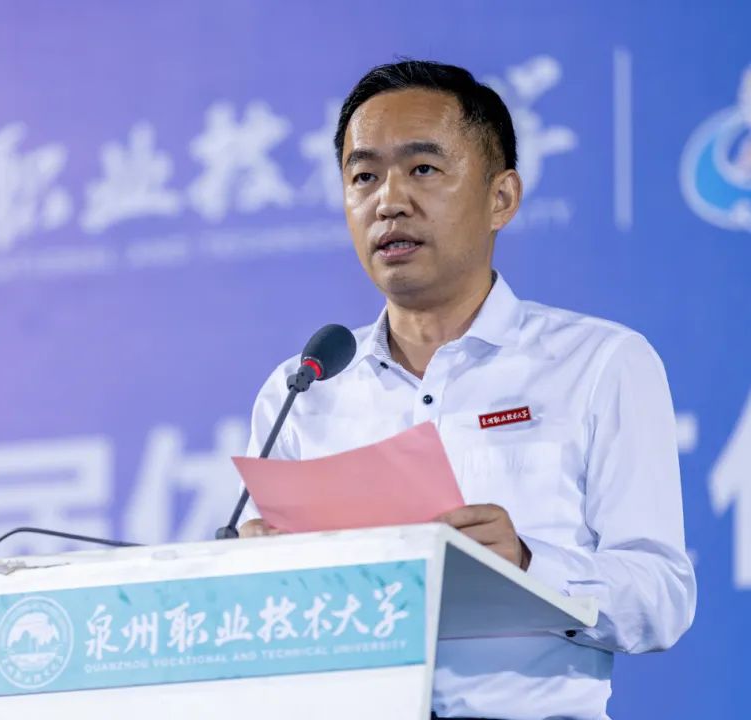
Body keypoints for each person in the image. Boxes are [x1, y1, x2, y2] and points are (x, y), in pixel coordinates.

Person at [238, 60, 696, 720]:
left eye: (423, 168)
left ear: (500, 198)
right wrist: (254, 577)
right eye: (363, 177)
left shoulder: (599, 363)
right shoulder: (304, 388)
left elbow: (662, 596)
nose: (388, 201)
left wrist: (530, 565)